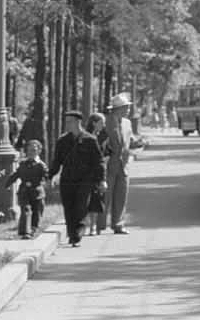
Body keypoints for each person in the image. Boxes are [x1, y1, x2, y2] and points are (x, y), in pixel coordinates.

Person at [48, 110, 107, 247]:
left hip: (85, 180)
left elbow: (98, 162)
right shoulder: (62, 141)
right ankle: (72, 234)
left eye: (69, 121)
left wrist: (102, 180)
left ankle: (77, 235)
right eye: (66, 122)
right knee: (69, 208)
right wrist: (50, 176)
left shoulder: (90, 140)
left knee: (81, 207)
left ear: (78, 122)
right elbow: (57, 161)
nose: (67, 124)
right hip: (67, 180)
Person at [99, 93, 143, 235]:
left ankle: (118, 224)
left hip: (123, 165)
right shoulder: (106, 121)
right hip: (108, 164)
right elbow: (100, 142)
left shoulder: (127, 123)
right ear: (117, 109)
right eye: (126, 107)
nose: (128, 109)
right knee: (105, 195)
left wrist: (137, 143)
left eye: (128, 107)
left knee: (121, 195)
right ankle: (100, 224)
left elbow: (130, 140)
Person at [4, 139, 48, 239]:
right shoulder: (23, 164)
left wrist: (48, 180)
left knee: (36, 212)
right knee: (26, 210)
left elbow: (46, 176)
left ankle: (33, 229)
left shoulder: (41, 165)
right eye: (29, 150)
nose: (31, 153)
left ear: (38, 151)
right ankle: (25, 232)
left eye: (33, 150)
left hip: (37, 192)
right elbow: (16, 174)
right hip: (24, 191)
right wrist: (8, 184)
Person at [84, 112, 108, 235]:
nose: (103, 125)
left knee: (96, 198)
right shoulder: (86, 136)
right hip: (87, 172)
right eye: (101, 123)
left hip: (98, 171)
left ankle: (93, 226)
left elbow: (104, 152)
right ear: (94, 123)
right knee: (86, 198)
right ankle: (86, 225)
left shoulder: (101, 136)